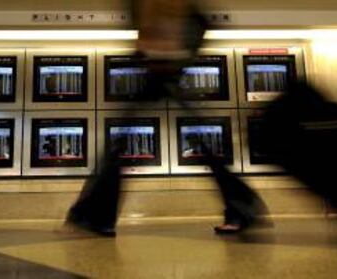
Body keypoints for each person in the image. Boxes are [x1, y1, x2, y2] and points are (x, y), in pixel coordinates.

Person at [63, 0, 270, 236]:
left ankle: (96, 216)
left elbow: (186, 24)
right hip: (158, 69)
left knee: (124, 141)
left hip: (165, 68)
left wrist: (172, 55)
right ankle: (243, 208)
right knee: (195, 140)